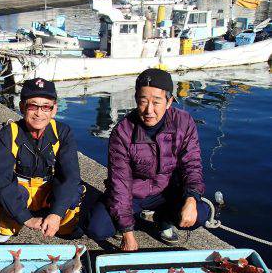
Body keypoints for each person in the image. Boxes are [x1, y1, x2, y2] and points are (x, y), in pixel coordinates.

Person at [86, 68, 210, 250]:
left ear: (169, 102)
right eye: (143, 102)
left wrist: (191, 198)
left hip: (168, 190)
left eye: (157, 102)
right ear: (136, 100)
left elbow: (192, 165)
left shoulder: (184, 122)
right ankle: (128, 219)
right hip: (133, 193)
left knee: (200, 214)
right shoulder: (122, 131)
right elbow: (119, 183)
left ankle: (164, 219)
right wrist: (127, 232)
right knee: (97, 228)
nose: (149, 110)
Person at [0, 77, 84, 243]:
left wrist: (56, 214)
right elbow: (3, 181)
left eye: (46, 107)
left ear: (54, 109)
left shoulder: (63, 132)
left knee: (75, 190)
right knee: (1, 193)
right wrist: (26, 219)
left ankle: (64, 225)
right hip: (21, 187)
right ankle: (8, 225)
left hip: (48, 186)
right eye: (32, 106)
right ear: (22, 107)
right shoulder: (7, 134)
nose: (39, 113)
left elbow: (70, 177)